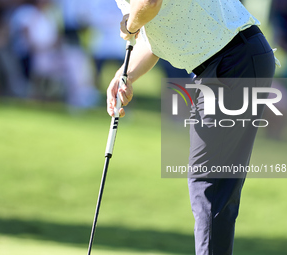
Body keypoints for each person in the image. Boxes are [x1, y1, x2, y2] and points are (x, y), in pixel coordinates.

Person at [108, 1, 276, 255]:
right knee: (211, 186)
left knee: (209, 186)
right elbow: (152, 36)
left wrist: (131, 25)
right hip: (227, 61)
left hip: (234, 58)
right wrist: (125, 75)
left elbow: (149, 5)